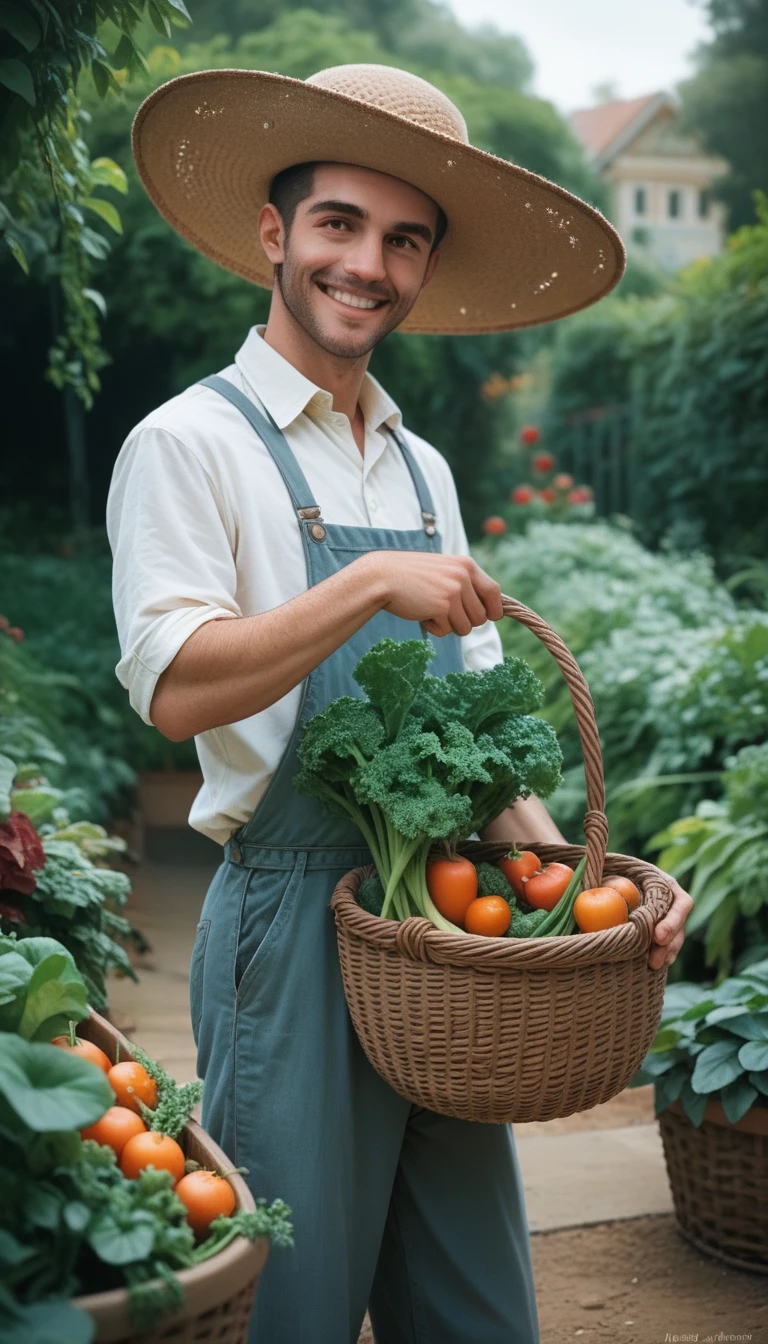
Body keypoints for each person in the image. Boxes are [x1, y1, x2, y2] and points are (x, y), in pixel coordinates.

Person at [108, 62, 693, 1344]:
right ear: (276, 234)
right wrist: (369, 581)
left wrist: (568, 905)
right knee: (294, 1310)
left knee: (478, 1304)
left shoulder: (421, 465)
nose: (368, 264)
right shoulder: (186, 445)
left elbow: (479, 738)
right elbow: (172, 686)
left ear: (426, 267)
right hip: (291, 929)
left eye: (404, 239)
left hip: (445, 935)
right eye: (340, 224)